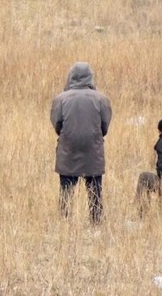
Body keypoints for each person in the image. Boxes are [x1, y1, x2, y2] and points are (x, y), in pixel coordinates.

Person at [50, 62, 112, 224]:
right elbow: (105, 125)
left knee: (66, 188)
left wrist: (67, 136)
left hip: (68, 148)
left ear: (70, 77)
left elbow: (57, 124)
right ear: (90, 77)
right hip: (93, 149)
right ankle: (96, 221)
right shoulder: (101, 99)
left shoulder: (60, 99)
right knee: (95, 189)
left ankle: (64, 220)